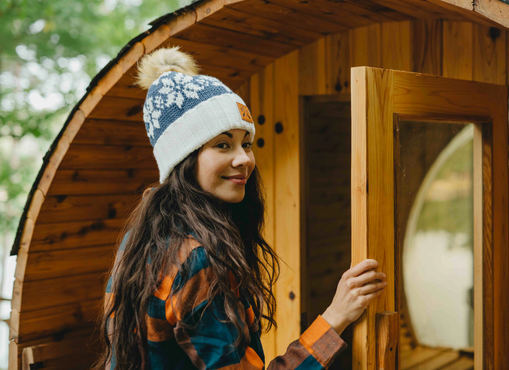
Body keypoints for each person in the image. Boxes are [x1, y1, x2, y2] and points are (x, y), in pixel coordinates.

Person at [95, 46, 388, 370]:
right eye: (223, 144)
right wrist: (335, 317)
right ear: (184, 159)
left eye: (246, 143)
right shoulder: (197, 259)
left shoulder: (142, 237)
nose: (244, 159)